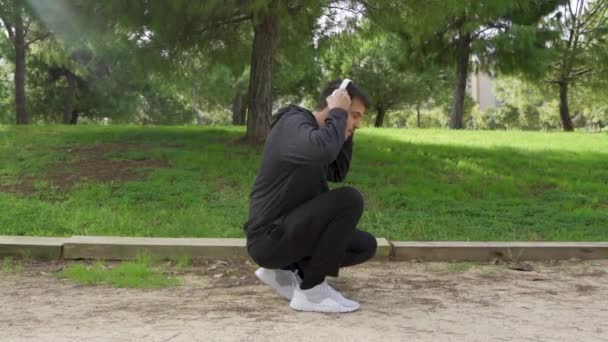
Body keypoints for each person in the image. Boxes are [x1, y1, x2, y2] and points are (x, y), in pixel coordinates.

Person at [242, 80, 377, 313]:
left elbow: (337, 171)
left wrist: (346, 130)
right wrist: (338, 114)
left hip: (287, 231)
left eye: (359, 118)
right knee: (350, 200)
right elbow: (323, 151)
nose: (356, 124)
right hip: (267, 238)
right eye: (354, 115)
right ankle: (311, 291)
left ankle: (283, 273)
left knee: (363, 246)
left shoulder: (318, 135)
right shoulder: (292, 123)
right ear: (334, 103)